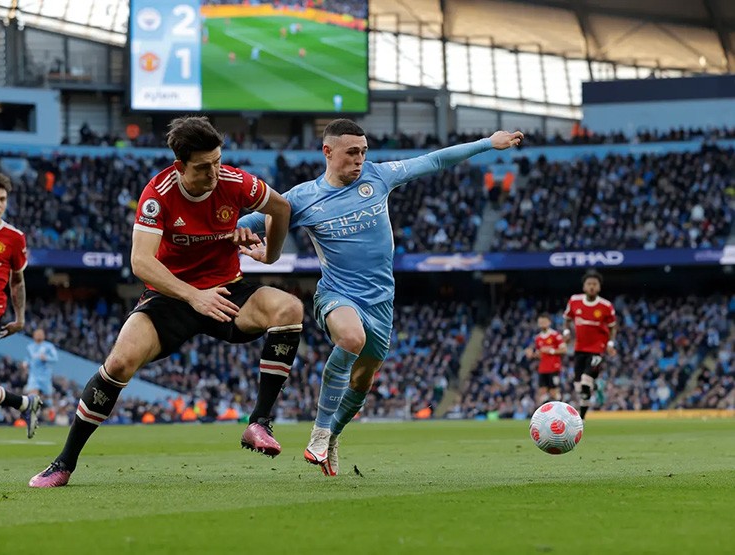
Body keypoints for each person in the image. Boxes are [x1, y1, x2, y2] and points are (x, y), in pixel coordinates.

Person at [236, 119, 523, 476]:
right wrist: (232, 232)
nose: (359, 160)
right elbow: (254, 220)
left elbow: (433, 161)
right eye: (352, 152)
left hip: (381, 301)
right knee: (351, 338)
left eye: (363, 152)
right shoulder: (303, 198)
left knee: (362, 381)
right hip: (336, 293)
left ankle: (334, 436)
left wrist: (487, 142)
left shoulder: (379, 177)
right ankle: (319, 433)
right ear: (328, 151)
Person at [29, 116, 303, 488]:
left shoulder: (237, 182)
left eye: (218, 162)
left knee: (289, 309)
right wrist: (193, 295)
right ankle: (63, 463)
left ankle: (259, 422)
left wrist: (268, 256)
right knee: (120, 362)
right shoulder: (158, 194)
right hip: (170, 295)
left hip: (225, 289)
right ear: (180, 166)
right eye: (204, 167)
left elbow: (281, 208)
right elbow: (141, 261)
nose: (214, 173)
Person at [0, 173, 41, 438]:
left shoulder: (14, 238)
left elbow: (17, 282)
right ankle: (24, 403)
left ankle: (24, 404)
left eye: (2, 199)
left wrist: (21, 318)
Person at [562, 270, 617, 420]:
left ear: (599, 287)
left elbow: (613, 326)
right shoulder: (574, 301)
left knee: (586, 383)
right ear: (584, 286)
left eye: (595, 284)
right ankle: (597, 386)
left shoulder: (606, 306)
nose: (592, 287)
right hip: (579, 349)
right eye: (589, 284)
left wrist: (610, 343)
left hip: (597, 349)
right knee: (579, 387)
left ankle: (582, 418)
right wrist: (566, 332)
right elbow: (567, 319)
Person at [524, 313, 566, 404]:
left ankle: (560, 412)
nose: (542, 324)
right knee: (542, 392)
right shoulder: (538, 338)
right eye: (540, 322)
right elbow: (540, 354)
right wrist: (532, 354)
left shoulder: (555, 335)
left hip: (554, 367)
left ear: (549, 322)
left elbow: (564, 350)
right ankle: (546, 414)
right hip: (543, 368)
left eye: (544, 322)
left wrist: (551, 350)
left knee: (554, 391)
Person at [25, 328, 59, 407]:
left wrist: (46, 358)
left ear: (44, 336)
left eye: (41, 334)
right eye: (37, 334)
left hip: (45, 376)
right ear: (34, 335)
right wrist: (25, 363)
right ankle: (30, 412)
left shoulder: (49, 346)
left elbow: (55, 358)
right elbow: (28, 358)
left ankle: (50, 413)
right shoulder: (30, 347)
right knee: (32, 396)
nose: (39, 335)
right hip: (33, 375)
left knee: (48, 397)